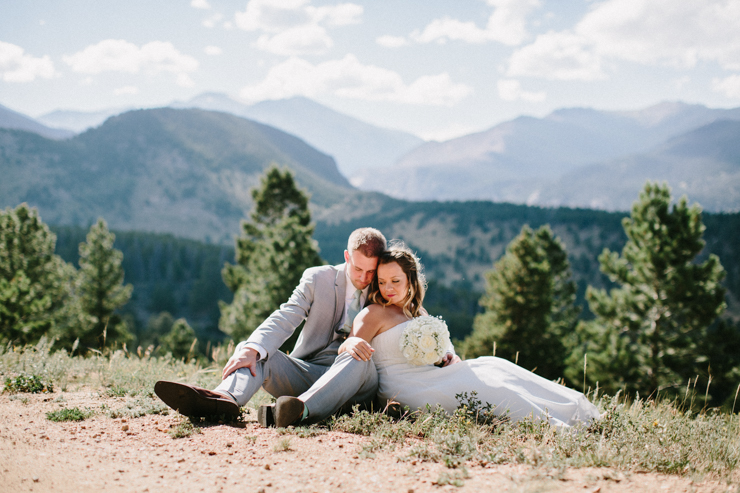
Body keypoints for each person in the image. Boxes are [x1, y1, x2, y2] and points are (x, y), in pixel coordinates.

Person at [339, 242, 601, 428]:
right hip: (404, 388)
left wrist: (449, 357)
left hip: (434, 375)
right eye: (382, 282)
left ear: (410, 280)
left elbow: (445, 348)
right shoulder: (373, 312)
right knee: (490, 386)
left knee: (495, 365)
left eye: (395, 281)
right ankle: (554, 426)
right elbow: (350, 345)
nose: (388, 288)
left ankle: (576, 412)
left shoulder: (419, 313)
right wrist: (349, 342)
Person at [155, 227, 387, 428]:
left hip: (355, 385)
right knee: (257, 351)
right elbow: (287, 314)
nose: (365, 278)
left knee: (359, 357)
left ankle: (300, 410)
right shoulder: (318, 279)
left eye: (371, 271)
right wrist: (252, 348)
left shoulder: (386, 288)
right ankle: (224, 400)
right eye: (358, 269)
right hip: (311, 375)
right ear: (347, 256)